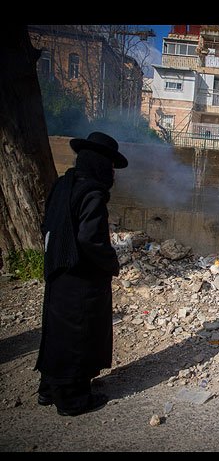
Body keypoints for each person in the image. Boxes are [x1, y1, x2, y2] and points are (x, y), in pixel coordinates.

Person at [35, 132, 128, 417]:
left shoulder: (64, 184)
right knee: (79, 334)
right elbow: (91, 239)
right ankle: (73, 399)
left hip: (58, 272)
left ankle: (49, 388)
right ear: (100, 164)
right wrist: (110, 262)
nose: (112, 173)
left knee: (57, 332)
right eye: (110, 167)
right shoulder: (92, 193)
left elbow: (47, 224)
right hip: (81, 278)